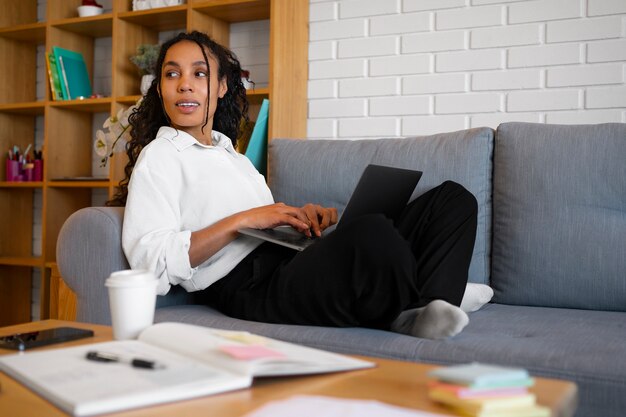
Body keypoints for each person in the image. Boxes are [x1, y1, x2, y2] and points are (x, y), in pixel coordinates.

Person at [112, 31, 478, 340]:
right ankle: (421, 302)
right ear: (160, 89)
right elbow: (151, 264)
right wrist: (244, 220)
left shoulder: (232, 156)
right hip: (250, 287)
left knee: (452, 199)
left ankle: (430, 302)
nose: (185, 84)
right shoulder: (159, 157)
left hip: (289, 260)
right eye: (172, 74)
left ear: (222, 86)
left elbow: (261, 223)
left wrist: (298, 218)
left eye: (199, 73)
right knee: (372, 233)